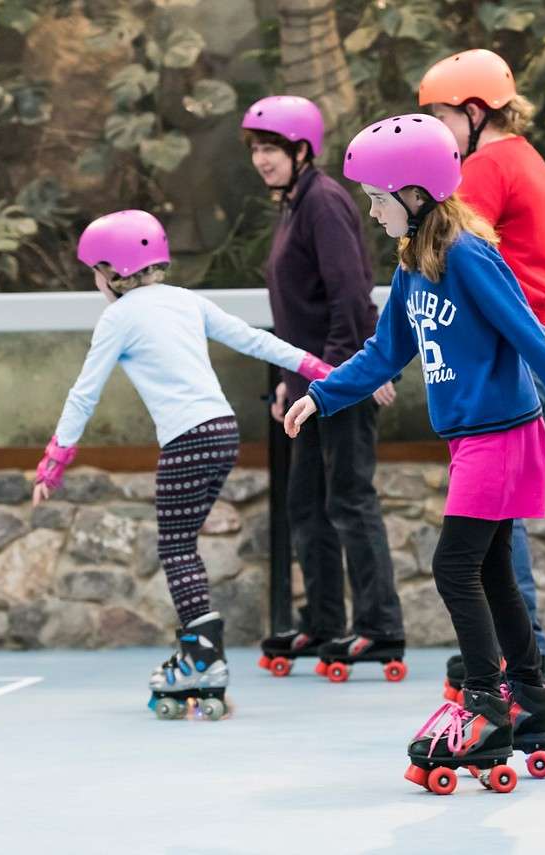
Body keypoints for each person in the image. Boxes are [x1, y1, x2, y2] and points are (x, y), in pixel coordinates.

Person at [285, 114, 545, 790]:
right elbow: (386, 351)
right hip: (470, 438)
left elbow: (527, 329)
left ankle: (485, 702)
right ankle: (533, 704)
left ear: (417, 193)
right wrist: (325, 392)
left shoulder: (465, 253)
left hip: (501, 433)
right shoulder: (415, 262)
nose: (370, 210)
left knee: (453, 565)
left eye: (377, 196)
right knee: (486, 570)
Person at [31, 210, 332, 719]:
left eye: (95, 272)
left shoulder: (118, 317)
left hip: (187, 439)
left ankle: (201, 657)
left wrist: (55, 460)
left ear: (114, 271)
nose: (95, 283)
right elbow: (254, 339)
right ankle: (201, 651)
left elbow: (84, 394)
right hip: (223, 431)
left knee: (175, 546)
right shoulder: (186, 301)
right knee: (181, 543)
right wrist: (316, 367)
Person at [419, 49, 545, 693]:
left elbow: (441, 250)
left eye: (439, 119)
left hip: (528, 344)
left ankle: (520, 657)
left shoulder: (484, 167)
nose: (435, 135)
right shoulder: (525, 157)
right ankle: (522, 653)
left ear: (475, 111)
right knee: (498, 506)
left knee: (490, 508)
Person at [240, 96, 406, 675]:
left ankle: (380, 627)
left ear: (302, 150)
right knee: (306, 503)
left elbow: (349, 296)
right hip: (310, 383)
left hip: (337, 382)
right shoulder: (294, 205)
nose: (262, 159)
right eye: (257, 149)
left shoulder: (325, 203)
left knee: (349, 500)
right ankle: (325, 622)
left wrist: (339, 379)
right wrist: (293, 381)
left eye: (272, 148)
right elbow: (299, 312)